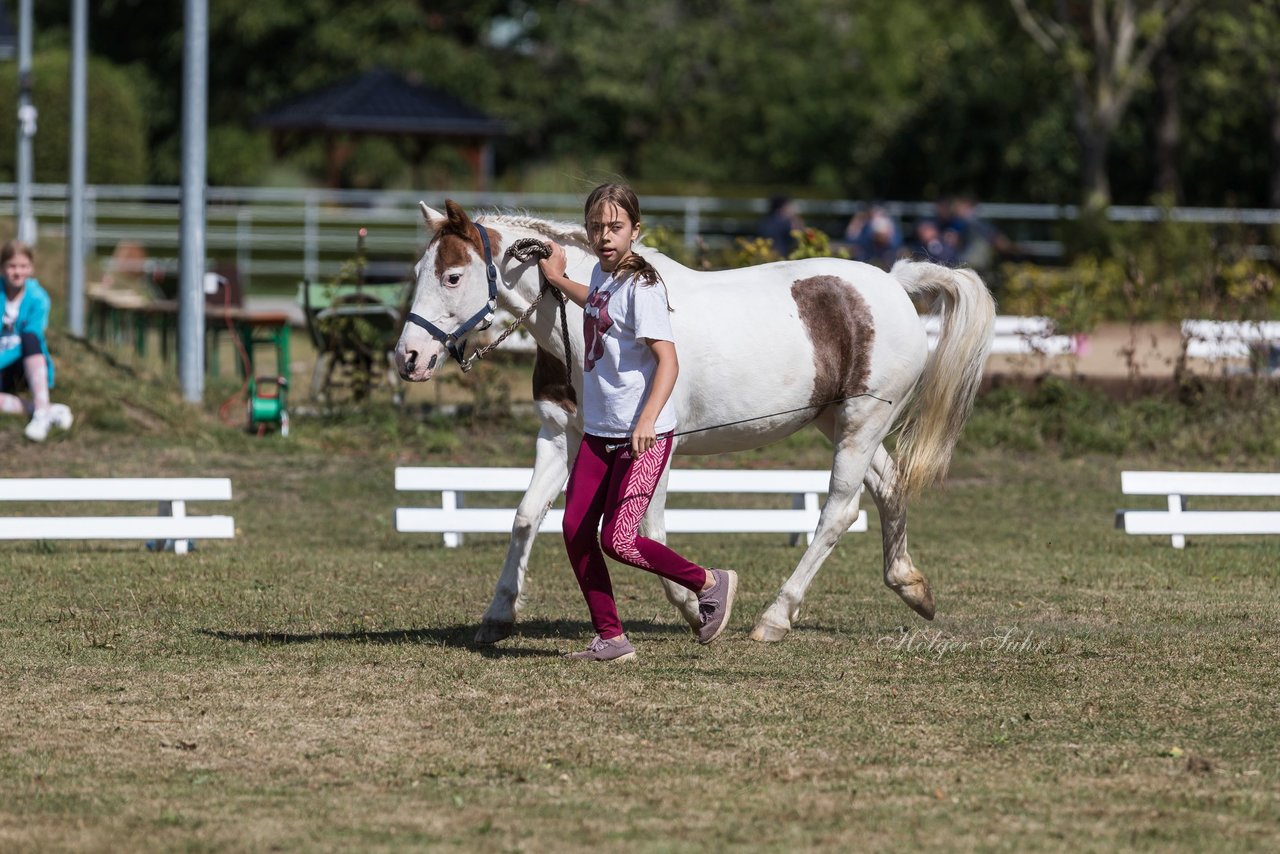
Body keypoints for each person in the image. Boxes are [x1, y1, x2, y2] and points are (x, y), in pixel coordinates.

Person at [537, 183, 737, 663]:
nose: (605, 235)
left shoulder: (644, 286)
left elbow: (668, 361)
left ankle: (709, 581)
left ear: (635, 231)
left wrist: (648, 418)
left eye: (615, 227)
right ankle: (611, 638)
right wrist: (561, 281)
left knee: (619, 539)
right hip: (599, 435)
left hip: (640, 439)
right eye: (596, 227)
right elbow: (599, 304)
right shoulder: (606, 277)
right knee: (575, 531)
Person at [0, 240, 73, 442]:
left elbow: (31, 338)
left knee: (30, 338)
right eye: (12, 266)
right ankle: (45, 410)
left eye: (23, 266)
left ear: (31, 268)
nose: (17, 272)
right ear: (2, 268)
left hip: (27, 362)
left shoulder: (38, 298)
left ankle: (41, 416)